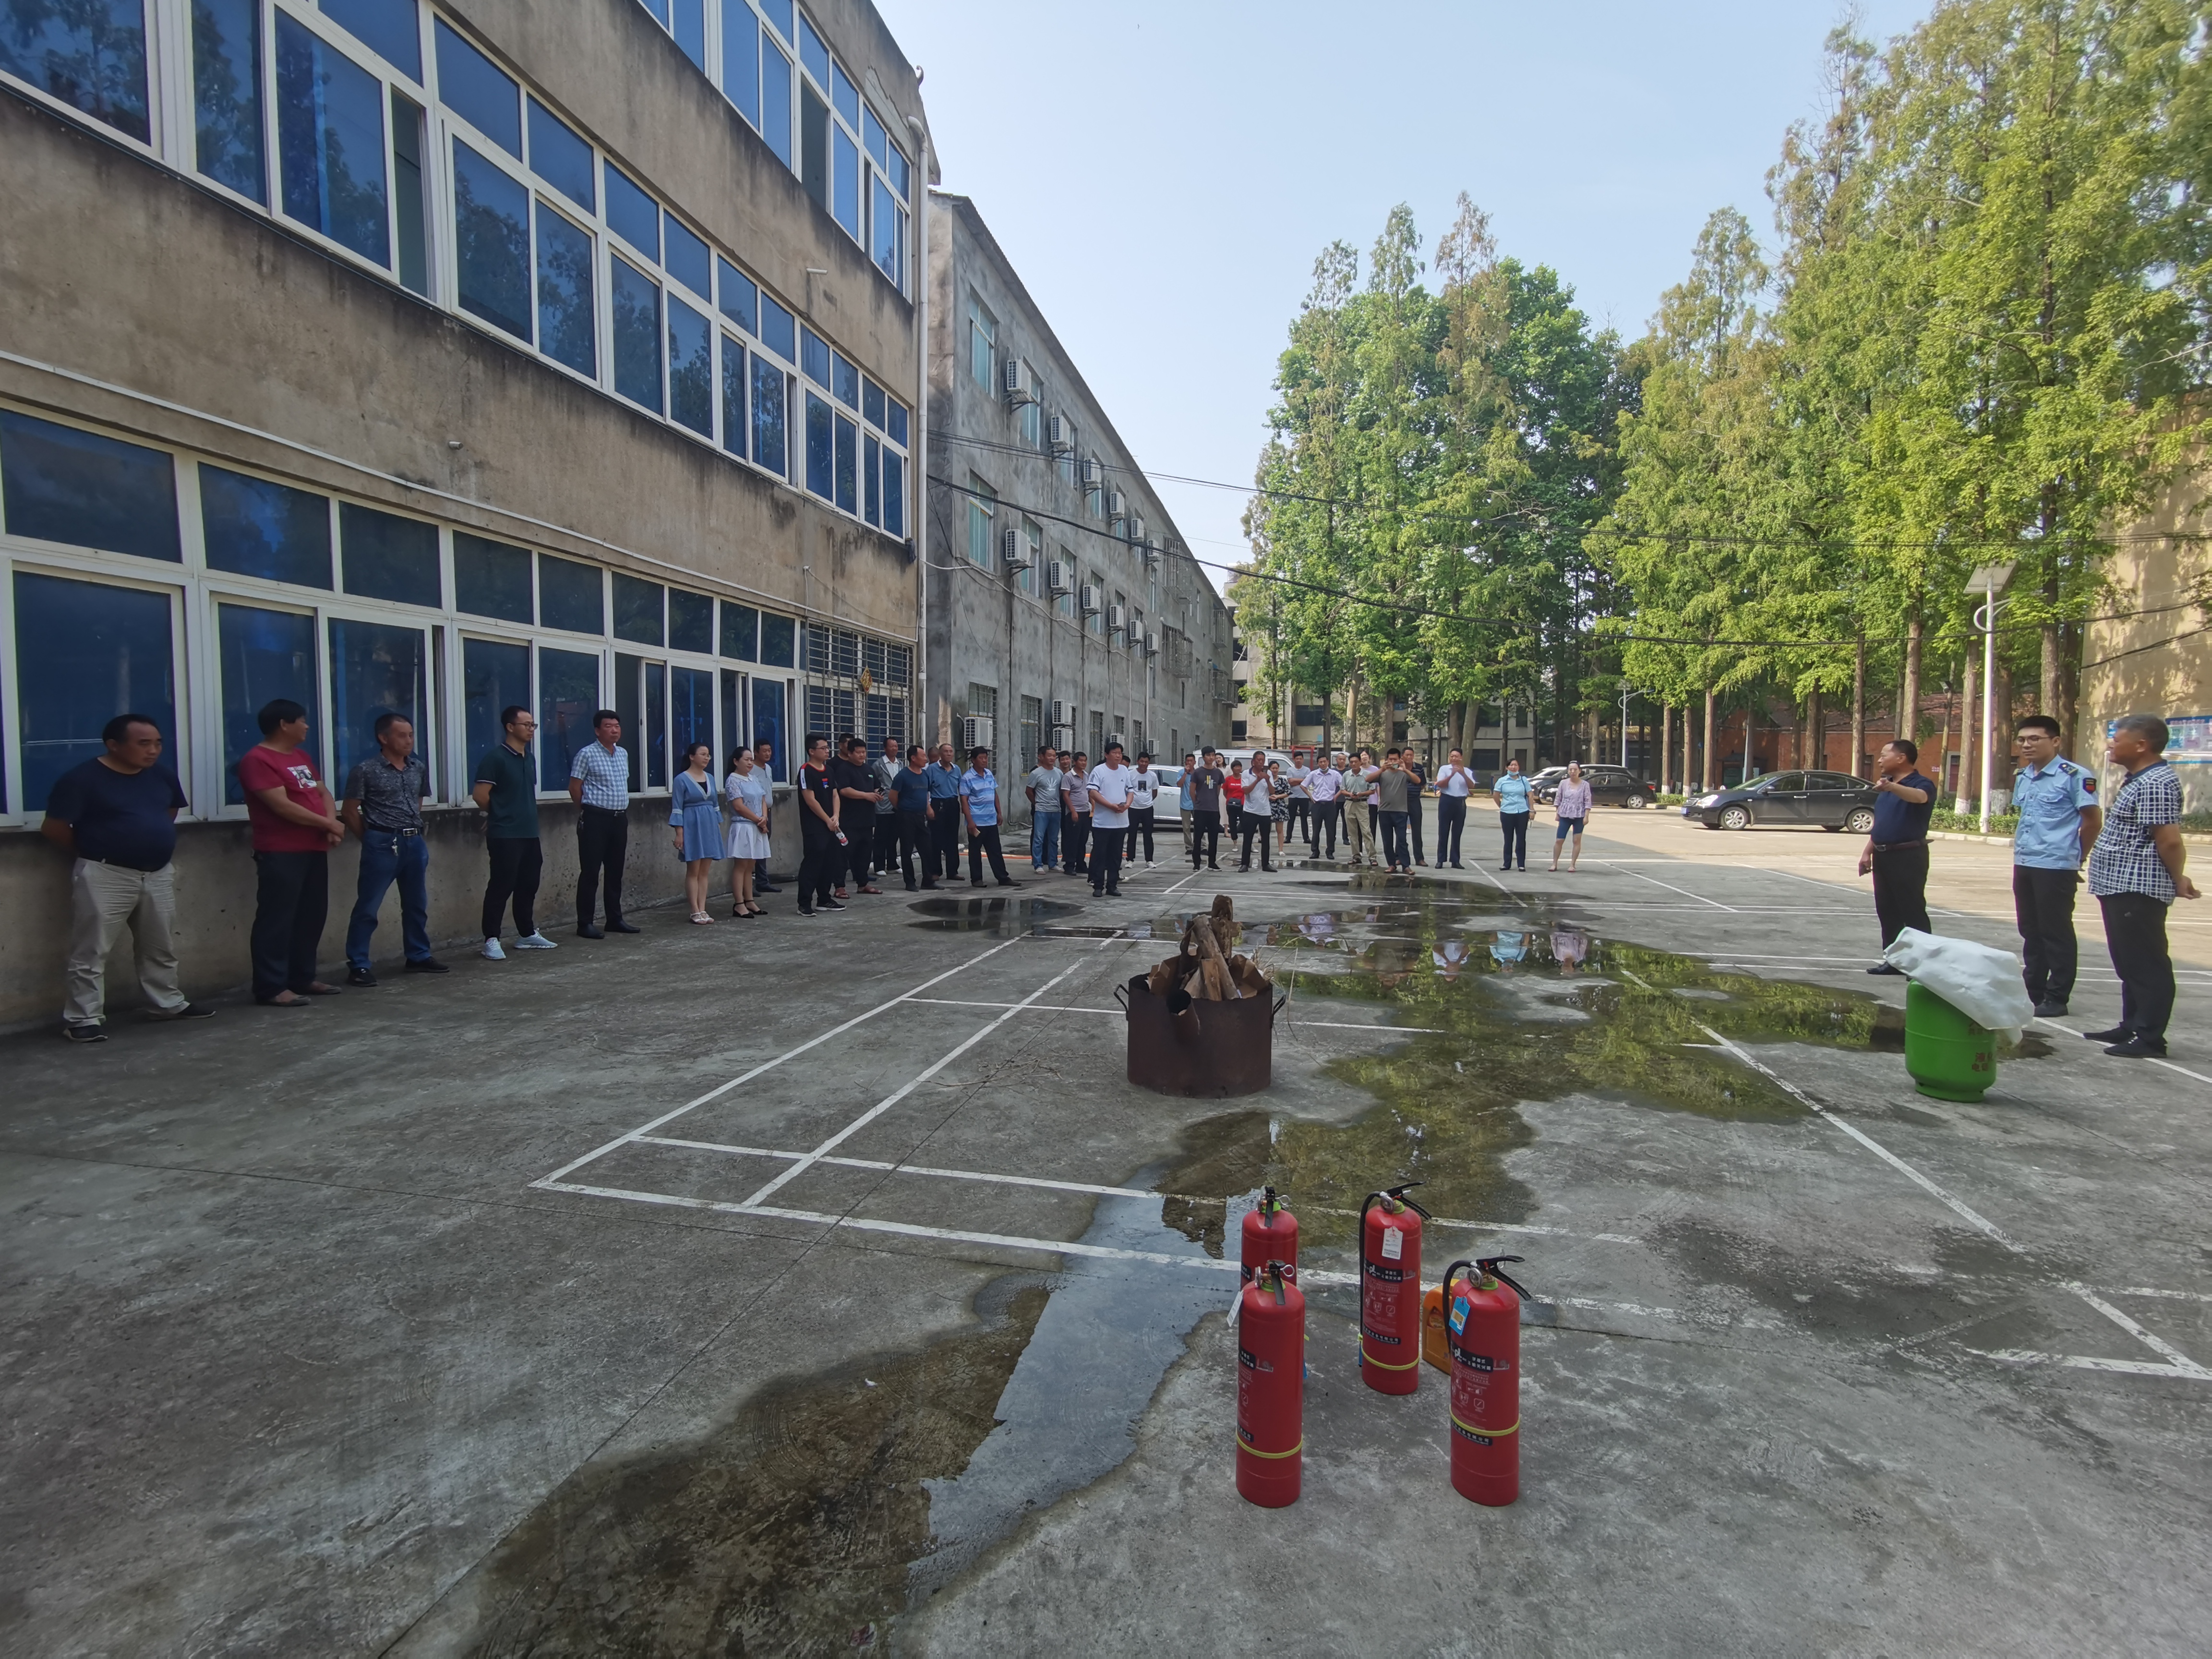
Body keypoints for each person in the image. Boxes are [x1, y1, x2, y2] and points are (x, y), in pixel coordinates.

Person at [43, 712, 210, 1041]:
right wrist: (96, 849)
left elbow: (170, 811)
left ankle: (167, 1003)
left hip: (157, 873)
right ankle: (83, 1018)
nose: (153, 750)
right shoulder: (82, 780)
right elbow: (54, 828)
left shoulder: (161, 776)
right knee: (91, 950)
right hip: (106, 873)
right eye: (143, 744)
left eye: (158, 743)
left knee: (159, 946)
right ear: (114, 745)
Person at [2083, 713, 2199, 1058]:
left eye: (2118, 739)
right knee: (2128, 960)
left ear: (2141, 745)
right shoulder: (2139, 779)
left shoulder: (2156, 783)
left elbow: (2169, 840)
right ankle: (2131, 1025)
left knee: (2146, 962)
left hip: (2138, 887)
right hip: (2119, 884)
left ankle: (2150, 1037)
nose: (2111, 745)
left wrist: (2178, 878)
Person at [240, 697, 346, 1006]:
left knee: (311, 915)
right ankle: (271, 987)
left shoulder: (300, 756)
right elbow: (281, 806)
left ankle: (302, 977)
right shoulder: (258, 760)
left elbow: (322, 793)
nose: (307, 726)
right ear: (284, 725)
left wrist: (331, 823)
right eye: (302, 721)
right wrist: (329, 824)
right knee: (277, 918)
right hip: (281, 851)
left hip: (313, 848)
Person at [341, 711, 445, 985]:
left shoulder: (417, 767)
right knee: (368, 906)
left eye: (411, 735)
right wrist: (371, 839)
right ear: (383, 738)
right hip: (382, 841)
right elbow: (350, 811)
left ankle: (418, 955)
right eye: (401, 736)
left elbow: (418, 800)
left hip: (414, 841)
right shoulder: (365, 770)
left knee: (416, 903)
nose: (409, 741)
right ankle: (359, 964)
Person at [2010, 714, 2102, 1017]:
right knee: (2030, 929)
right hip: (2025, 861)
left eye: (2035, 739)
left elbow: (2092, 822)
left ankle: (2057, 996)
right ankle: (2033, 990)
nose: (2027, 745)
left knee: (2055, 932)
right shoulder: (2024, 776)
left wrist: (2077, 857)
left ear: (2056, 741)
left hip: (2056, 865)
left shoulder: (2074, 776)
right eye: (2022, 740)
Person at [472, 705, 556, 959]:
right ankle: (491, 938)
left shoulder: (528, 758)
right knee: (501, 885)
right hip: (505, 834)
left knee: (528, 884)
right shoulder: (495, 758)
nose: (531, 729)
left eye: (533, 725)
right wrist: (499, 813)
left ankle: (527, 933)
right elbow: (480, 795)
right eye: (526, 725)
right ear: (510, 727)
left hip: (529, 832)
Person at [1857, 739, 1937, 973]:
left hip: (1908, 855)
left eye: (1884, 755)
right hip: (1883, 856)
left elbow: (1920, 797)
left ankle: (1921, 964)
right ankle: (1894, 961)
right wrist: (1867, 852)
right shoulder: (1887, 787)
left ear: (1902, 758)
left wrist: (1892, 787)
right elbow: (1882, 825)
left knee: (1912, 910)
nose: (1880, 760)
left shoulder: (1920, 783)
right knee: (1887, 911)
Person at [568, 709, 636, 937]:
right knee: (590, 871)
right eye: (608, 726)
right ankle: (585, 923)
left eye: (617, 726)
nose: (614, 730)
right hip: (596, 818)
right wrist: (586, 810)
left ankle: (614, 919)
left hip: (619, 818)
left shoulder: (623, 753)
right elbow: (575, 787)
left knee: (615, 871)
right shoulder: (586, 754)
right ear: (598, 731)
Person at [667, 741, 726, 924]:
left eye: (708, 755)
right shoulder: (681, 779)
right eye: (703, 754)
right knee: (693, 870)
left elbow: (715, 805)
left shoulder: (710, 778)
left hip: (709, 825)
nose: (707, 758)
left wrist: (717, 827)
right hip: (692, 825)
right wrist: (680, 833)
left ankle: (703, 908)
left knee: (705, 871)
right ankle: (694, 910)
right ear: (692, 757)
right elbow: (677, 807)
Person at [795, 733, 847, 916]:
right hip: (815, 826)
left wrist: (836, 816)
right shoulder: (806, 770)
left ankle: (824, 899)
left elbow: (835, 794)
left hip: (832, 824)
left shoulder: (829, 770)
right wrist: (827, 820)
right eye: (823, 748)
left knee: (830, 861)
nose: (827, 751)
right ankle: (804, 903)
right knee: (813, 863)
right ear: (811, 751)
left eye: (827, 747)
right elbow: (810, 800)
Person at [961, 747, 1020, 887]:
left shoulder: (989, 774)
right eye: (981, 758)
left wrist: (999, 812)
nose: (984, 761)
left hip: (991, 820)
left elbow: (995, 794)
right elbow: (964, 801)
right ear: (973, 760)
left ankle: (1003, 878)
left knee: (995, 851)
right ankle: (977, 879)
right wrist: (970, 821)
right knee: (975, 851)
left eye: (986, 758)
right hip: (977, 821)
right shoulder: (967, 778)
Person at [833, 735, 884, 896]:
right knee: (844, 854)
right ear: (850, 753)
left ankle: (863, 884)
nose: (862, 755)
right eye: (859, 752)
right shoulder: (844, 769)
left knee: (864, 854)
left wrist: (878, 794)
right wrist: (866, 795)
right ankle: (839, 887)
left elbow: (876, 786)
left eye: (864, 752)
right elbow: (844, 790)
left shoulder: (868, 770)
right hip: (849, 821)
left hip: (867, 820)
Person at [724, 745, 771, 916]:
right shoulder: (733, 780)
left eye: (751, 760)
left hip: (757, 826)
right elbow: (738, 806)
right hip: (743, 826)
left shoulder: (753, 779)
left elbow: (763, 800)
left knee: (751, 865)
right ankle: (739, 903)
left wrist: (764, 818)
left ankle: (749, 900)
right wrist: (758, 819)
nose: (750, 763)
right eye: (747, 760)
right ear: (736, 761)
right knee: (741, 865)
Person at [1087, 741, 1134, 896]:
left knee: (1116, 856)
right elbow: (1093, 792)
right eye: (1115, 753)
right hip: (1103, 823)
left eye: (1120, 753)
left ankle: (1112, 885)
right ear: (1107, 755)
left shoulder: (1124, 771)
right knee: (1100, 855)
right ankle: (1098, 886)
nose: (1118, 756)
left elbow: (1130, 791)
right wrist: (1110, 806)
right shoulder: (1099, 770)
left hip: (1120, 822)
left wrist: (1127, 805)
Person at [890, 743, 937, 891]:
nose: (926, 759)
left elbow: (926, 794)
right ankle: (910, 882)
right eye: (923, 756)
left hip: (921, 816)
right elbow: (893, 796)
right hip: (906, 817)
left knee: (927, 849)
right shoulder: (903, 776)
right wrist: (903, 809)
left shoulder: (925, 775)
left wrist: (928, 808)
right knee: (907, 850)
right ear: (913, 758)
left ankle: (928, 881)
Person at [924, 742, 964, 883]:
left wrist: (964, 806)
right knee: (936, 839)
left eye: (951, 751)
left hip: (952, 804)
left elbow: (961, 789)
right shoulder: (932, 769)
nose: (949, 754)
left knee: (952, 839)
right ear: (940, 754)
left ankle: (953, 871)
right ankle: (935, 871)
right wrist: (928, 808)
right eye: (946, 752)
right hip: (937, 804)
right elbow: (925, 790)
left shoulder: (957, 769)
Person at [749, 738, 782, 894]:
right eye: (764, 751)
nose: (768, 754)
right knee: (753, 849)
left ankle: (763, 881)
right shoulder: (751, 770)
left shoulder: (768, 768)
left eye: (770, 751)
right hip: (755, 814)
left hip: (767, 811)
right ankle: (749, 884)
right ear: (756, 752)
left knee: (763, 847)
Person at [1185, 750, 1226, 870]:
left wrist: (1212, 801)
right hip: (1200, 810)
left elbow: (1218, 790)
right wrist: (1197, 803)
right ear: (1203, 757)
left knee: (1213, 838)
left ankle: (1212, 863)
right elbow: (1192, 791)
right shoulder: (1198, 772)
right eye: (1208, 755)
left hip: (1214, 810)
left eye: (1213, 755)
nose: (1211, 758)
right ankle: (1196, 863)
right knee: (1198, 837)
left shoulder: (1218, 773)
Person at [1549, 760, 1592, 874]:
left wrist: (1586, 816)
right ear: (1568, 771)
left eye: (1575, 770)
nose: (1573, 772)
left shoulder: (1585, 785)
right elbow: (1558, 799)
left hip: (1579, 815)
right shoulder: (1563, 783)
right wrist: (1557, 813)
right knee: (1559, 840)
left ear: (1580, 771)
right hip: (1565, 815)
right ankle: (1554, 863)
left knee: (1576, 840)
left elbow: (1588, 801)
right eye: (1571, 770)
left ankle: (1573, 864)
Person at [1025, 744, 1063, 876]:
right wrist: (1036, 803)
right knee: (1039, 838)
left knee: (1054, 839)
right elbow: (1029, 791)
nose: (1052, 758)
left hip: (1056, 810)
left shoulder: (1059, 773)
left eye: (1054, 756)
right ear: (1041, 757)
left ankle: (1053, 863)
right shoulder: (1036, 773)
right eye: (1049, 756)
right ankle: (1038, 864)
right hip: (1042, 810)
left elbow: (1060, 790)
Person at [1434, 748, 1475, 868]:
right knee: (1443, 831)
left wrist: (1463, 774)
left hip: (1460, 802)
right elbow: (1440, 784)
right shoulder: (1444, 769)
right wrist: (1452, 774)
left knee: (1457, 832)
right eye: (1452, 756)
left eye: (1456, 756)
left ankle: (1455, 860)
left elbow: (1472, 786)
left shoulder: (1467, 771)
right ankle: (1441, 860)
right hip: (1446, 800)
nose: (1454, 759)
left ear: (1461, 757)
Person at [1493, 757, 1533, 871]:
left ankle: (1521, 864)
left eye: (1516, 765)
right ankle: (1507, 863)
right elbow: (1496, 795)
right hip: (1507, 812)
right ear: (1507, 768)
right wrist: (1502, 806)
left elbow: (1530, 795)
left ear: (1518, 767)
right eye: (1511, 765)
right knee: (1508, 839)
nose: (1513, 767)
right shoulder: (1502, 781)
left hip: (1522, 812)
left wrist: (1531, 810)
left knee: (1521, 838)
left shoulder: (1523, 780)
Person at [872, 736, 903, 882]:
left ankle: (892, 864)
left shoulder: (900, 764)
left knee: (894, 836)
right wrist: (881, 794)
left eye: (896, 746)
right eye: (892, 746)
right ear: (885, 748)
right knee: (881, 837)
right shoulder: (878, 765)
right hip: (883, 806)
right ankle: (879, 866)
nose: (895, 749)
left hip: (897, 805)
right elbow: (874, 783)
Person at [1376, 748, 1412, 873]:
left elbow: (1418, 781)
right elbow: (1368, 779)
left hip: (1401, 811)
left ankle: (1406, 865)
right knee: (1387, 840)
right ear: (1387, 760)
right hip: (1384, 811)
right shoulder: (1383, 773)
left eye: (1395, 759)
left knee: (1402, 840)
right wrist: (1382, 769)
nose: (1393, 762)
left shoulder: (1403, 773)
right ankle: (1391, 864)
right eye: (1390, 759)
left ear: (1399, 759)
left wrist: (1405, 769)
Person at [1238, 754, 1275, 872]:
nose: (1261, 762)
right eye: (1259, 760)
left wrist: (1267, 780)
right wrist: (1257, 780)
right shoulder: (1246, 774)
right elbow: (1246, 791)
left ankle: (1266, 864)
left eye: (1263, 760)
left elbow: (1272, 791)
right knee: (1248, 838)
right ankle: (1245, 864)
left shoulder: (1268, 774)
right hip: (1250, 811)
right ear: (1253, 761)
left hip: (1265, 811)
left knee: (1265, 839)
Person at [1339, 749, 1375, 867]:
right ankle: (1356, 856)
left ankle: (1372, 857)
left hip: (1362, 804)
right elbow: (1343, 790)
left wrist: (1361, 794)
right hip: (1349, 804)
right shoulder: (1346, 775)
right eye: (1351, 762)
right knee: (1352, 832)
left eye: (1356, 762)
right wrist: (1349, 794)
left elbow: (1372, 790)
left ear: (1360, 762)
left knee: (1366, 831)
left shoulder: (1367, 775)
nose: (1354, 764)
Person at [1060, 751, 1093, 875]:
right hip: (1074, 812)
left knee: (1083, 840)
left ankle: (1080, 864)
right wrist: (1073, 811)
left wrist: (1093, 808)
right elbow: (1066, 795)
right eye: (1081, 761)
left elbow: (1089, 793)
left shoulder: (1086, 775)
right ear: (1075, 762)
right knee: (1072, 840)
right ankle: (1069, 865)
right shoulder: (1069, 776)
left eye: (1085, 761)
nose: (1084, 763)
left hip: (1085, 811)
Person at [1307, 752, 1343, 858]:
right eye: (1320, 762)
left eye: (1324, 762)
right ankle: (1315, 851)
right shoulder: (1314, 774)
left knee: (1331, 829)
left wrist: (1336, 797)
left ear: (1328, 762)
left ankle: (1330, 851)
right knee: (1316, 829)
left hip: (1330, 804)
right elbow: (1303, 785)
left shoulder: (1335, 774)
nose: (1323, 764)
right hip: (1317, 804)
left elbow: (1343, 787)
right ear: (1318, 763)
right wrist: (1310, 796)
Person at [1130, 752, 1161, 866]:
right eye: (1142, 761)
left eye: (1146, 762)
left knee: (1148, 835)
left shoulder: (1152, 776)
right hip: (1133, 808)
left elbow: (1154, 792)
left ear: (1149, 763)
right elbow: (1127, 791)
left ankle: (1149, 860)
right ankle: (1130, 860)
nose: (1144, 764)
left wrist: (1147, 801)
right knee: (1132, 834)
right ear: (1138, 761)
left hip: (1147, 808)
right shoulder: (1131, 775)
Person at [1282, 749, 1311, 853]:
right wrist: (1302, 781)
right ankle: (1288, 837)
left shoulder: (1307, 770)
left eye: (1300, 759)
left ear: (1303, 760)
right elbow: (1291, 782)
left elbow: (1307, 782)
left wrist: (1297, 781)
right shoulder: (1290, 770)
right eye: (1297, 759)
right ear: (1294, 759)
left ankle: (1306, 838)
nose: (1299, 760)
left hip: (1304, 797)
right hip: (1293, 797)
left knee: (1304, 818)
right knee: (1291, 818)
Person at [1404, 751, 1429, 866]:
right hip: (1400, 802)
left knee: (1417, 831)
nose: (1409, 757)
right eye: (1407, 755)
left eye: (1411, 755)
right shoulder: (1398, 767)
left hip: (1415, 801)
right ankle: (1399, 856)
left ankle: (1419, 858)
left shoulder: (1419, 768)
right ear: (1402, 756)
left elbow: (1423, 784)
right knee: (1400, 831)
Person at [1178, 750, 1199, 864]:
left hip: (1197, 804)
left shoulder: (1199, 773)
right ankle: (1189, 847)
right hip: (1185, 803)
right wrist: (1186, 774)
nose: (1189, 763)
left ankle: (1202, 846)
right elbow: (1179, 784)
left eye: (1191, 761)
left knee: (1199, 826)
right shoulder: (1181, 773)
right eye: (1188, 761)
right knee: (1186, 827)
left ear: (1195, 762)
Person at [1224, 758, 1247, 840]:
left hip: (1243, 804)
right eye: (1236, 767)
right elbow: (1225, 792)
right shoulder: (1228, 779)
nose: (1238, 769)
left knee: (1245, 823)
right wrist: (1231, 799)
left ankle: (1247, 841)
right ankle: (1234, 841)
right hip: (1231, 805)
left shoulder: (1244, 779)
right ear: (1232, 768)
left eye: (1239, 767)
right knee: (1232, 823)